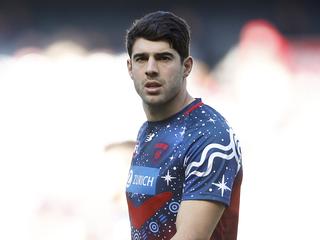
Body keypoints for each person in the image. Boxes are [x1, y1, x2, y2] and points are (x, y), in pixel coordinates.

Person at [125, 11, 243, 240]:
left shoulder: (209, 136)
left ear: (187, 66)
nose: (151, 68)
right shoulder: (148, 129)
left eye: (163, 58)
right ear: (130, 68)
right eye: (141, 58)